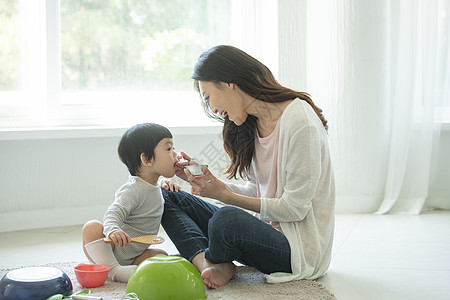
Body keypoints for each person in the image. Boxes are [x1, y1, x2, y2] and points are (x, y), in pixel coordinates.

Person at [162, 45, 335, 289]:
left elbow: (294, 209)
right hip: (259, 234)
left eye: (209, 97)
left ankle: (214, 257)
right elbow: (257, 190)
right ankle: (209, 263)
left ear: (229, 83)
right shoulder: (253, 123)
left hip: (295, 253)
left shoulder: (300, 124)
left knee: (226, 219)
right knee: (169, 197)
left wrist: (225, 196)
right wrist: (212, 184)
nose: (212, 109)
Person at [82, 123, 182, 283]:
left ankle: (124, 269)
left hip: (135, 254)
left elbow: (154, 189)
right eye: (168, 149)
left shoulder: (155, 184)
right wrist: (113, 230)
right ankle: (112, 270)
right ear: (147, 159)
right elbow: (113, 213)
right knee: (92, 227)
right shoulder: (133, 189)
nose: (175, 155)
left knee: (160, 255)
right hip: (112, 249)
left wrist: (165, 183)